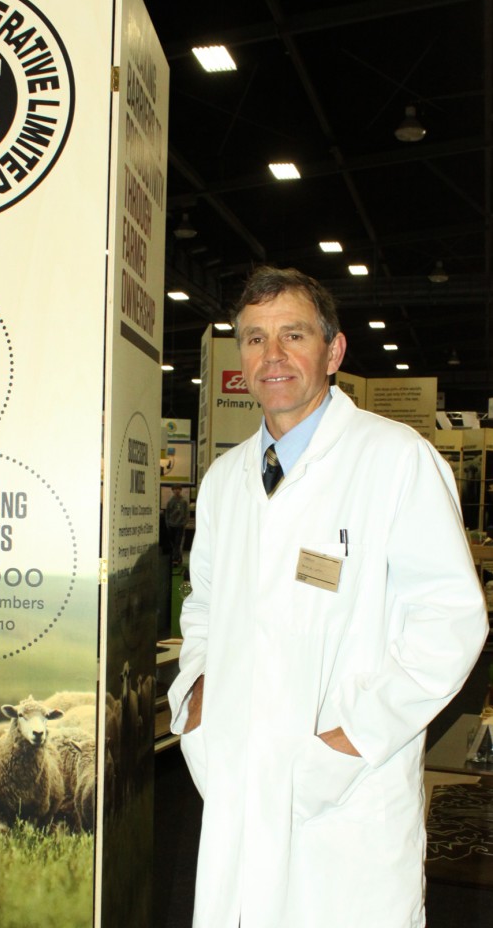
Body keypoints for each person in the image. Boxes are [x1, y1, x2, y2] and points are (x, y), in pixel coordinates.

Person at [168, 266, 488, 928]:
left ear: (334, 351)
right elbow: (203, 610)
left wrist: (348, 742)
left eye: (293, 334)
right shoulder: (227, 481)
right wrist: (196, 700)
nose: (273, 356)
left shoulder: (396, 461)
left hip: (344, 802)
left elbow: (451, 624)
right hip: (238, 783)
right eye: (255, 339)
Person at [165, 485, 190, 565]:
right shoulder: (170, 501)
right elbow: (167, 513)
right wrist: (167, 523)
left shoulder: (184, 501)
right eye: (175, 489)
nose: (177, 491)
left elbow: (187, 513)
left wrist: (184, 522)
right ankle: (178, 557)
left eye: (178, 489)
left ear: (181, 490)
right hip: (171, 525)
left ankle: (175, 559)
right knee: (173, 543)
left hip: (180, 525)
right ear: (172, 490)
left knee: (178, 543)